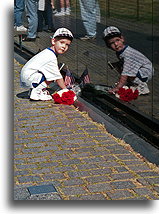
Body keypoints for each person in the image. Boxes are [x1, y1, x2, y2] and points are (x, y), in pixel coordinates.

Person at [20, 28, 74, 101]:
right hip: (29, 78)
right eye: (61, 42)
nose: (64, 46)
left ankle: (35, 89)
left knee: (53, 72)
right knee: (53, 74)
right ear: (53, 41)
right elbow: (58, 77)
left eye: (67, 45)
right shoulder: (50, 56)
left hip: (29, 77)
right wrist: (65, 90)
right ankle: (36, 92)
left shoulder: (49, 52)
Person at [103, 26, 154, 95]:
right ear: (108, 45)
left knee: (127, 72)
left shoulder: (128, 54)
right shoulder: (121, 51)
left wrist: (118, 87)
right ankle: (132, 83)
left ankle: (142, 86)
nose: (116, 44)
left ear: (122, 39)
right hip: (141, 69)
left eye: (117, 40)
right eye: (112, 43)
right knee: (121, 67)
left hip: (145, 71)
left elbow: (125, 73)